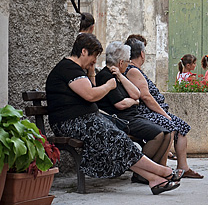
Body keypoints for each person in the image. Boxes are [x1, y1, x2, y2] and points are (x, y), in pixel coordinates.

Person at [45, 33, 181, 195]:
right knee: (116, 139)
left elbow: (91, 89)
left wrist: (91, 72)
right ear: (83, 52)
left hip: (85, 121)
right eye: (94, 56)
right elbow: (90, 95)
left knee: (118, 140)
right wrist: (109, 86)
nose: (95, 61)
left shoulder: (77, 70)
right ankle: (161, 171)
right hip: (70, 124)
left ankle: (154, 180)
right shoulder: (68, 69)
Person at [124, 36, 204, 179]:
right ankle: (161, 167)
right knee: (169, 125)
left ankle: (183, 167)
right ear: (142, 54)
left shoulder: (134, 69)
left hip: (152, 111)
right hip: (146, 112)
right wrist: (164, 114)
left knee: (182, 127)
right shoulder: (133, 70)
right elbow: (146, 97)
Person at [95, 42, 172, 169]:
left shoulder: (117, 75)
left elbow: (136, 94)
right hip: (123, 119)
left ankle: (153, 171)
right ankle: (143, 172)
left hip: (132, 116)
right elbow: (121, 104)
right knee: (158, 135)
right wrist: (134, 102)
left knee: (167, 133)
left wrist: (120, 75)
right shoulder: (105, 76)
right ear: (120, 63)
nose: (128, 63)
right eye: (127, 61)